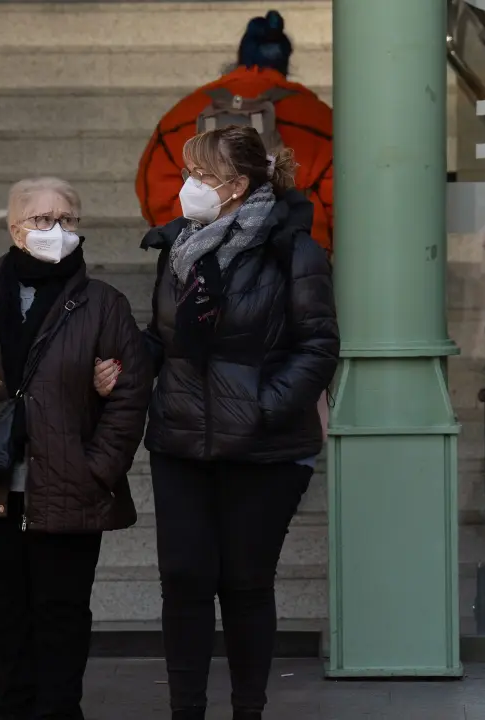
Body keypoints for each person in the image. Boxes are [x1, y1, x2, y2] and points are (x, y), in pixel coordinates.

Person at [0, 177, 152, 720]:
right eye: (42, 219)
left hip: (68, 487)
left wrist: (96, 469)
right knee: (3, 619)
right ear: (15, 229)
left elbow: (129, 396)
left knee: (62, 618)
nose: (57, 229)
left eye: (67, 219)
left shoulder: (103, 304)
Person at [141, 126, 339, 720]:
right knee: (184, 578)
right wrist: (120, 364)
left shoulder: (293, 251)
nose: (190, 186)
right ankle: (186, 711)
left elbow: (319, 346)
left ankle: (247, 709)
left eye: (203, 175)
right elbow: (163, 338)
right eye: (189, 173)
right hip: (181, 440)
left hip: (263, 447)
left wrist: (262, 407)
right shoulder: (178, 248)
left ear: (239, 184)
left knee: (246, 582)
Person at [135, 9, 335, 254]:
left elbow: (153, 192)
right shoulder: (317, 116)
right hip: (295, 253)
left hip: (200, 252)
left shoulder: (184, 114)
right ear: (286, 63)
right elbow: (345, 195)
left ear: (240, 56)